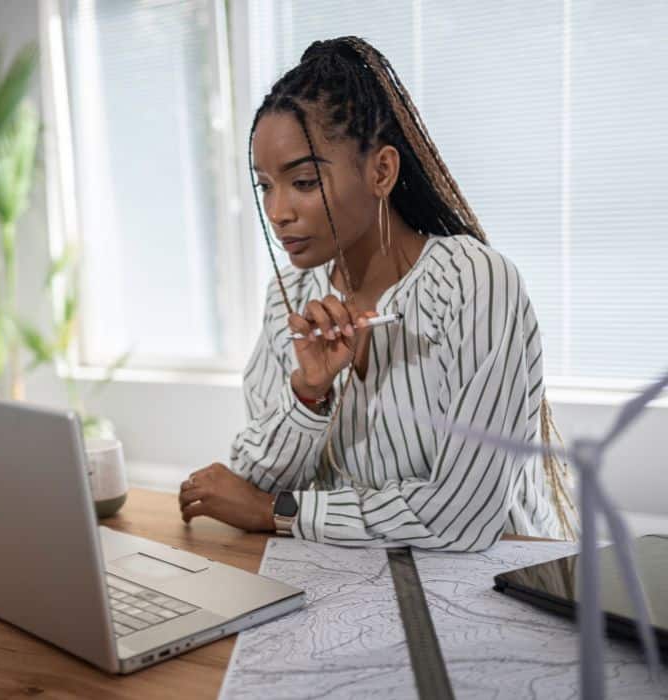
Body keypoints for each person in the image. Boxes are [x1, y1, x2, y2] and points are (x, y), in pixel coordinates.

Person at [177, 36, 576, 552]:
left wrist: (276, 512)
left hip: (494, 588)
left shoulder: (475, 282)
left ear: (381, 171)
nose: (277, 211)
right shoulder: (288, 298)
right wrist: (308, 393)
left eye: (300, 181)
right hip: (355, 590)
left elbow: (463, 516)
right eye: (265, 187)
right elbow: (249, 482)